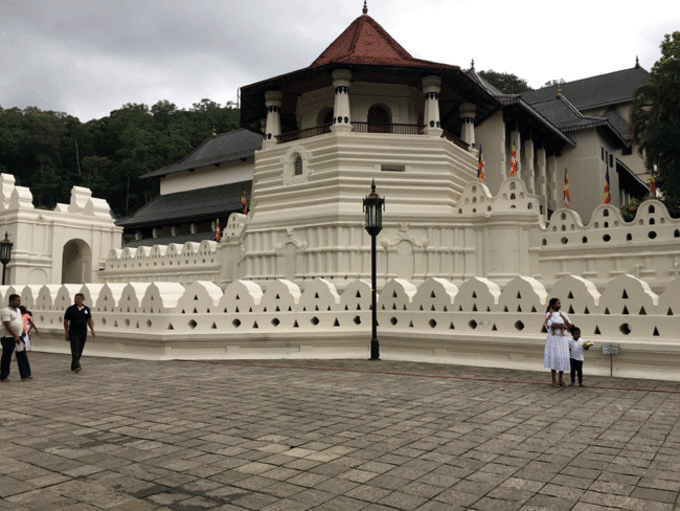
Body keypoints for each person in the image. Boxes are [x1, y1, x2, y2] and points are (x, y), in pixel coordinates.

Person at [1, 294, 31, 382]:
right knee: (7, 357)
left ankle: (25, 375)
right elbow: (7, 325)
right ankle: (3, 376)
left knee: (22, 355)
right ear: (12, 301)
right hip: (8, 337)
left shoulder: (18, 310)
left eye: (19, 300)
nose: (19, 302)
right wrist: (15, 336)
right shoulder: (6, 311)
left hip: (18, 336)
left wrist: (22, 331)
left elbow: (19, 321)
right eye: (17, 300)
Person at [64, 293, 95, 373]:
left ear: (82, 299)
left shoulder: (86, 309)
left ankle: (74, 365)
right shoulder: (70, 309)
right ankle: (78, 366)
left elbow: (89, 320)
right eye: (75, 298)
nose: (76, 300)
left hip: (83, 332)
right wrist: (66, 332)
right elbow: (66, 321)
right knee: (75, 349)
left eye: (78, 299)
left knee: (80, 349)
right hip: (73, 332)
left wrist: (92, 329)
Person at [544, 297, 572, 387]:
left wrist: (563, 325)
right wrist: (562, 325)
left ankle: (560, 380)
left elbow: (569, 325)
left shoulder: (563, 314)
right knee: (554, 357)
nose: (559, 305)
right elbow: (550, 324)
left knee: (562, 358)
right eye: (557, 304)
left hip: (562, 338)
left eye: (559, 303)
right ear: (552, 305)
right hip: (553, 338)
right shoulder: (549, 314)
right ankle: (553, 380)